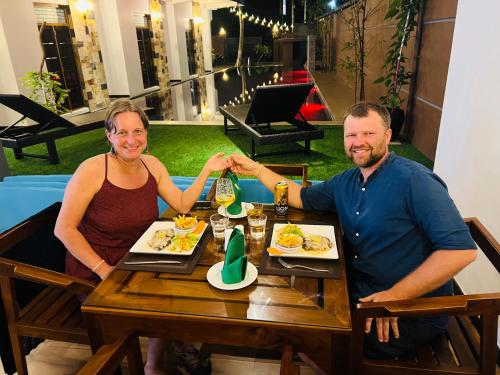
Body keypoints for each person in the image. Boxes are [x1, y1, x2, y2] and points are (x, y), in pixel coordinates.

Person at [229, 102, 477, 364]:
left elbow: (461, 251)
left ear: (388, 136)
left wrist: (394, 297)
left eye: (368, 133)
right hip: (357, 289)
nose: (358, 142)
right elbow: (299, 196)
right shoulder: (347, 181)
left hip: (408, 310)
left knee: (306, 335)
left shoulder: (416, 181)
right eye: (351, 135)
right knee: (291, 310)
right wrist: (256, 169)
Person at [54, 99, 229, 375]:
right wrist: (104, 270)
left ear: (146, 134)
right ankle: (158, 362)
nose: (131, 140)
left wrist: (207, 170)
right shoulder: (92, 169)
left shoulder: (151, 165)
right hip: (96, 271)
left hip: (140, 261)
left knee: (187, 282)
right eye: (122, 132)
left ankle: (164, 352)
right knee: (162, 298)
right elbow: (63, 228)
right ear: (109, 135)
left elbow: (182, 204)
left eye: (138, 131)